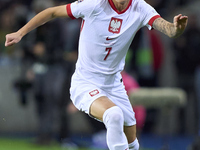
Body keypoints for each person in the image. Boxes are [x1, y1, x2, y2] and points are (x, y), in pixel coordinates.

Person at [5, 0, 188, 149]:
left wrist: (177, 29)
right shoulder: (94, 5)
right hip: (85, 83)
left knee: (132, 143)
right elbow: (52, 12)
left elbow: (169, 30)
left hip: (114, 84)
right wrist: (20, 33)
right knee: (114, 114)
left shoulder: (140, 8)